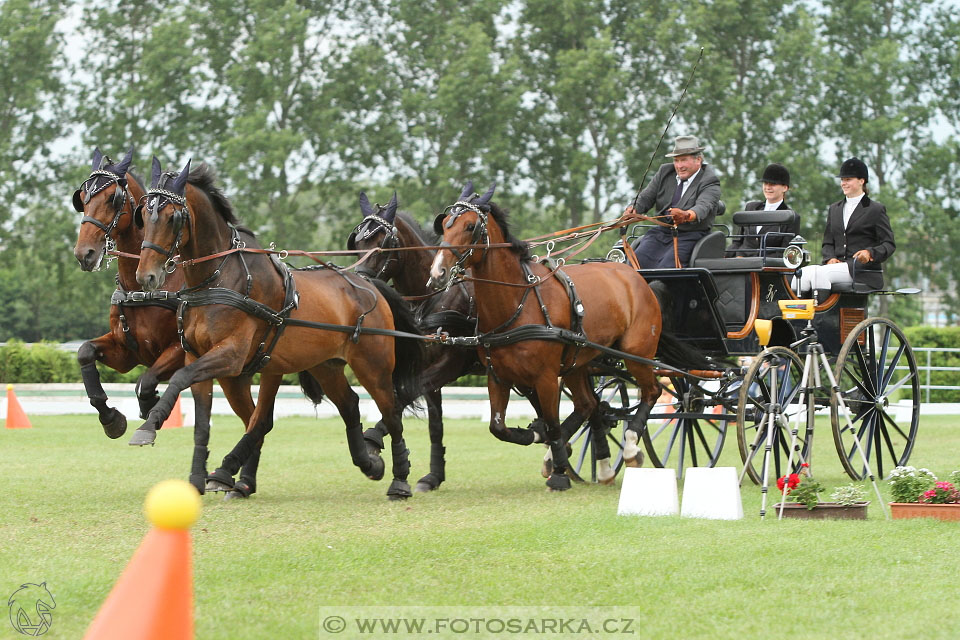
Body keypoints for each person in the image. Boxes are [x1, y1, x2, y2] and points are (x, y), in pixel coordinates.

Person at [795, 157, 895, 298]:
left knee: (818, 274)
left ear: (862, 181)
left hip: (861, 271)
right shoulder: (834, 209)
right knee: (802, 274)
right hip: (836, 267)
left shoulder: (875, 209)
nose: (844, 183)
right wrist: (830, 258)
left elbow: (889, 244)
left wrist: (870, 253)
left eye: (848, 179)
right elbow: (828, 242)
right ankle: (800, 318)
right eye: (842, 180)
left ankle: (822, 317)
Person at [623, 135, 722, 268]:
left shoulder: (710, 180)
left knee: (667, 269)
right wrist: (633, 209)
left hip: (690, 235)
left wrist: (687, 215)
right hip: (661, 233)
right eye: (676, 160)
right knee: (636, 264)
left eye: (683, 160)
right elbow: (646, 196)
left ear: (698, 160)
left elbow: (703, 206)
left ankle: (660, 288)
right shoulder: (665, 172)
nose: (679, 166)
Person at [726, 163, 799, 258]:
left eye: (772, 184)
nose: (768, 187)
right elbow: (738, 242)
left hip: (766, 268)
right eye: (765, 183)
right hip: (740, 264)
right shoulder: (750, 208)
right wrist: (726, 256)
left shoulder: (791, 217)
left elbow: (785, 252)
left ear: (785, 188)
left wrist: (756, 261)